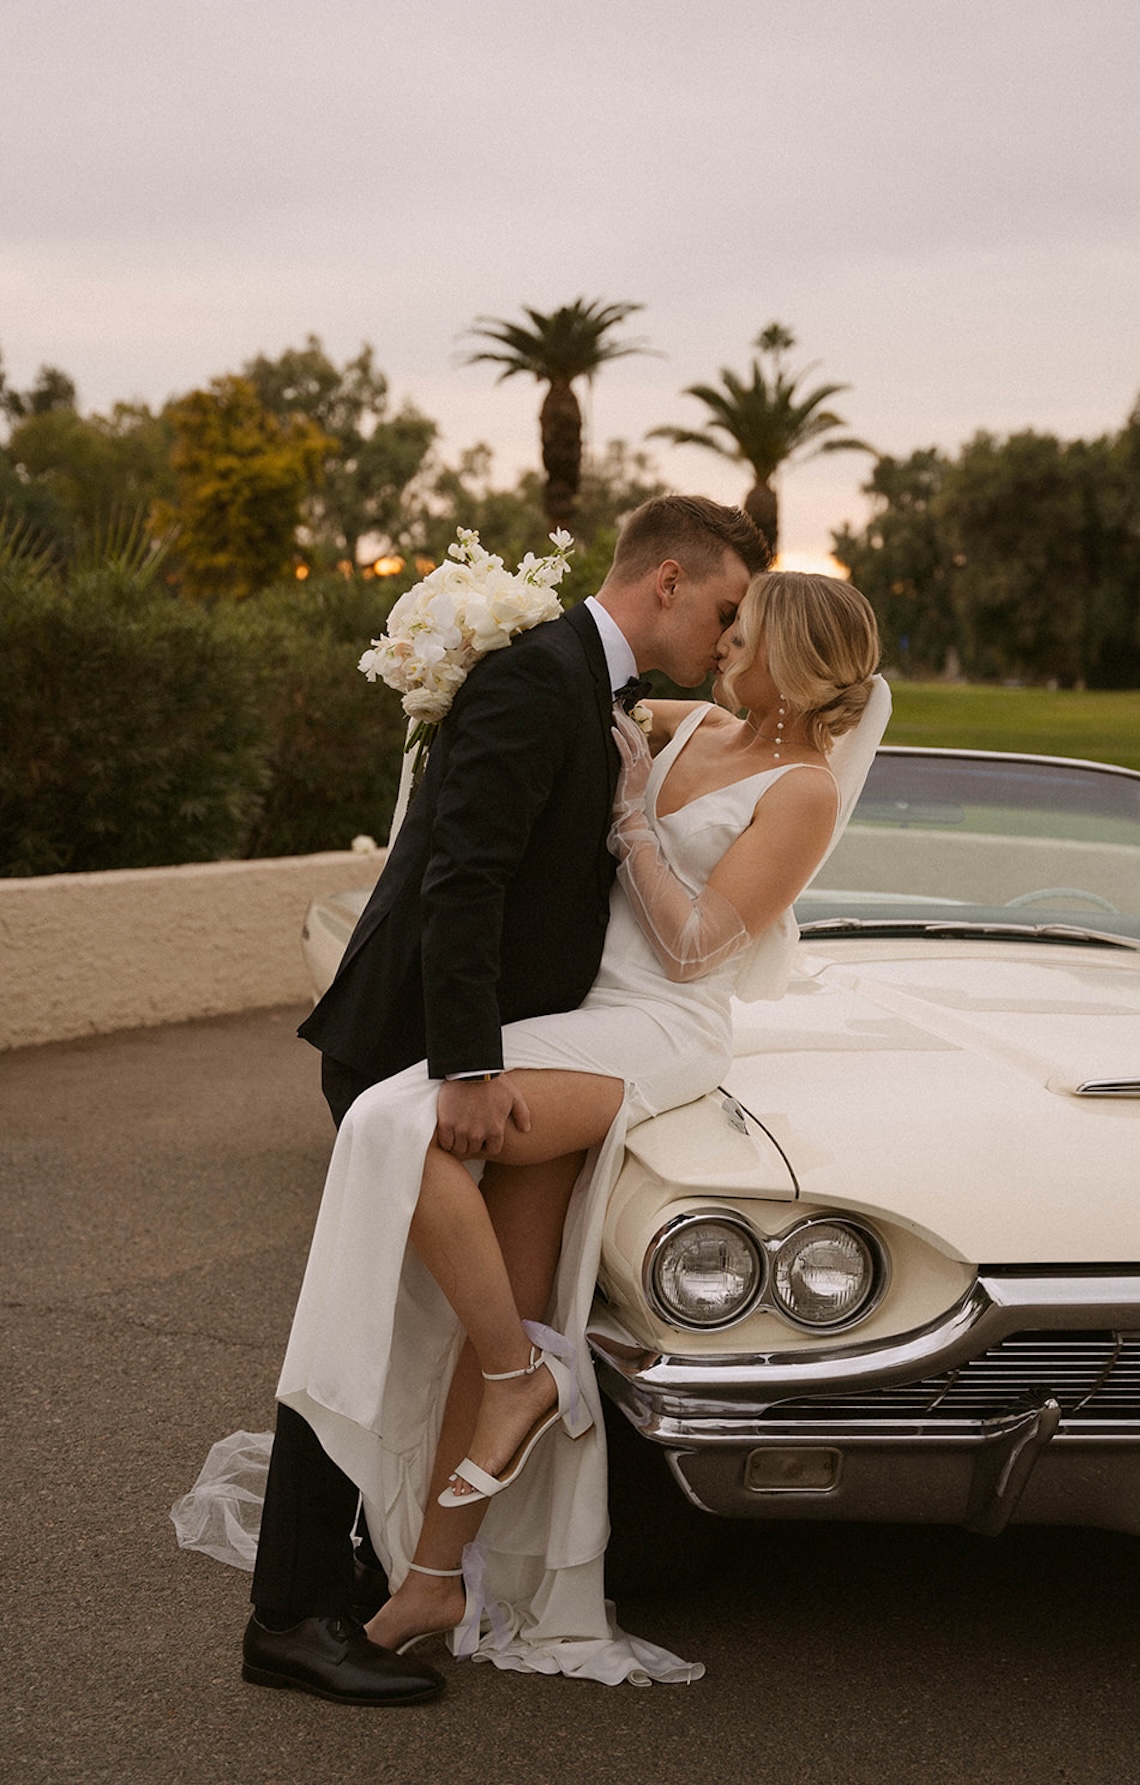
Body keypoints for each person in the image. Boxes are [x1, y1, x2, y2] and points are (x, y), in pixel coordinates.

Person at [260, 568, 889, 1689]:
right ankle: (431, 1577)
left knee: (393, 1127)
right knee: (491, 1255)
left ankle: (517, 1376)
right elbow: (551, 697)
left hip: (658, 1029)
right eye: (722, 616)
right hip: (572, 1014)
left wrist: (629, 823)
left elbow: (701, 948)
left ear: (786, 655)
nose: (721, 638)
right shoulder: (676, 715)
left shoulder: (801, 791)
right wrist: (466, 641)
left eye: (742, 629)